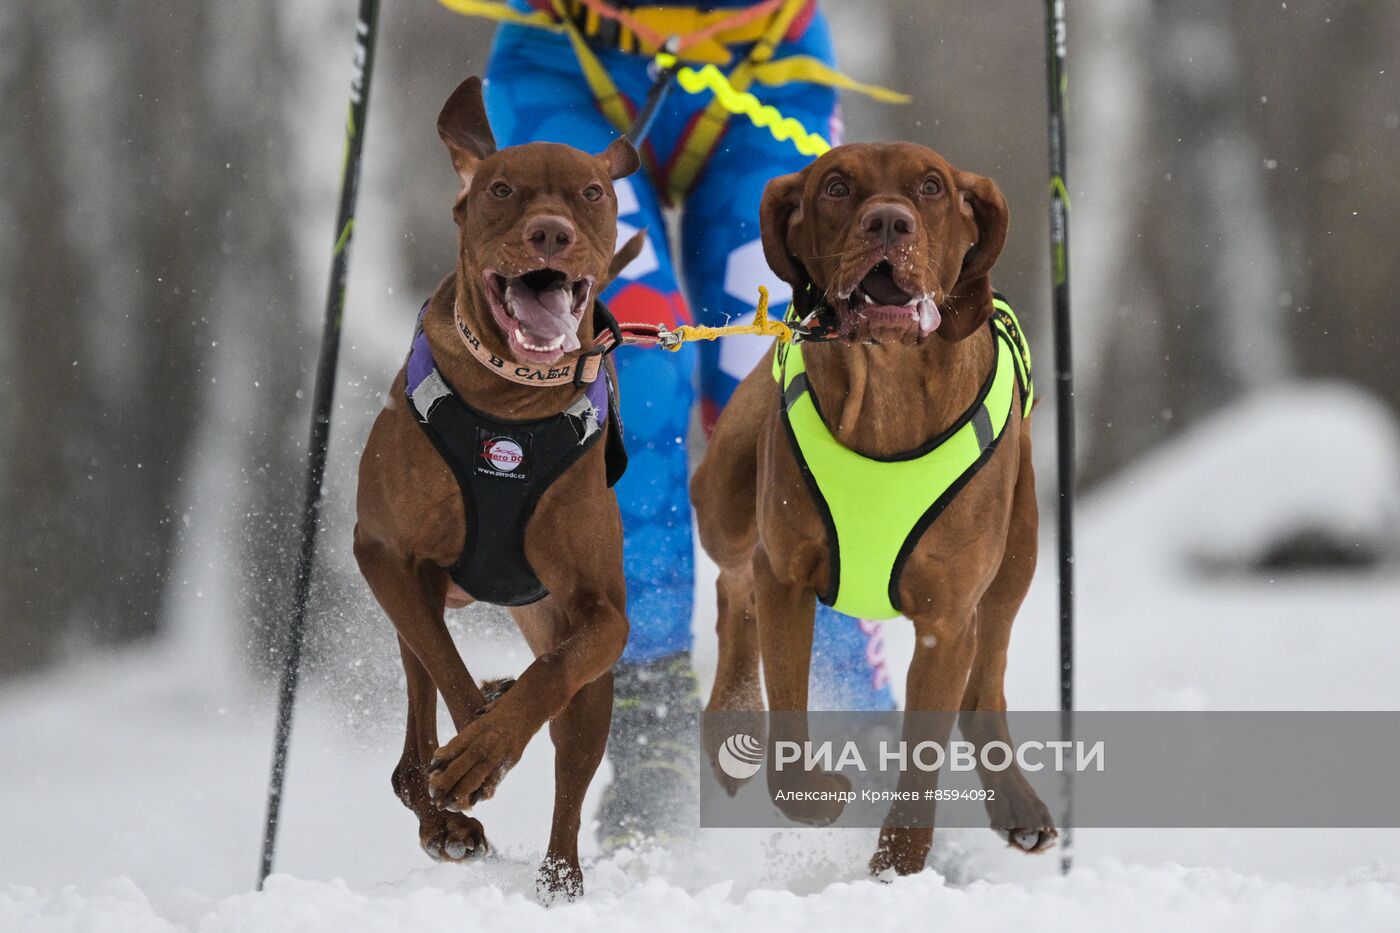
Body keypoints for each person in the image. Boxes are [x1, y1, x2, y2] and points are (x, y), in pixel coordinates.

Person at [468, 0, 898, 848]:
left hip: (763, 60)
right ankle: (648, 717)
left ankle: (873, 743)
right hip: (570, 55)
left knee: (778, 376)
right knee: (634, 361)